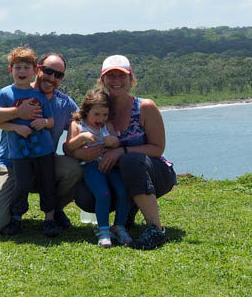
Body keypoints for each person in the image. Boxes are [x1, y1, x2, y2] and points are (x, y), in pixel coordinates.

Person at [70, 54, 175, 250]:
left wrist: (121, 151)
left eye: (122, 76)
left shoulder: (145, 107)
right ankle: (126, 213)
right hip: (115, 175)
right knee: (85, 195)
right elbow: (74, 139)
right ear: (102, 80)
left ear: (130, 79)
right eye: (111, 76)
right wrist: (81, 153)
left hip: (154, 172)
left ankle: (156, 229)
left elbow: (158, 148)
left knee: (130, 160)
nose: (116, 81)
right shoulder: (98, 107)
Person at [0, 50, 81, 236]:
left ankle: (53, 212)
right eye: (48, 71)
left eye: (58, 75)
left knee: (74, 169)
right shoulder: (8, 93)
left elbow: (84, 123)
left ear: (32, 69)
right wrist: (17, 113)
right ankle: (15, 215)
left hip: (44, 159)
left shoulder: (64, 103)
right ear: (39, 70)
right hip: (11, 164)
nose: (52, 78)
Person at [64, 87, 131, 247]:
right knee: (103, 193)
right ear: (87, 111)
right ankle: (103, 230)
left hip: (110, 166)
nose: (101, 118)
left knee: (123, 192)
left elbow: (117, 140)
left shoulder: (107, 125)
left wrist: (113, 141)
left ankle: (119, 227)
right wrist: (82, 138)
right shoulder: (77, 125)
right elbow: (68, 147)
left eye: (105, 114)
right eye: (97, 114)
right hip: (91, 167)